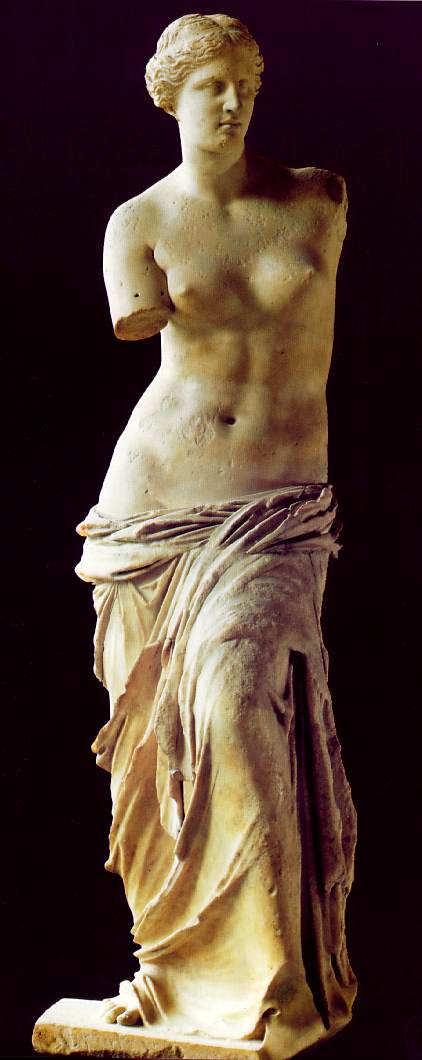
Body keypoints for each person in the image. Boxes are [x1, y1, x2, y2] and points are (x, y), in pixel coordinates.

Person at [76, 13, 357, 1059]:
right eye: (209, 87)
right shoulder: (139, 225)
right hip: (156, 509)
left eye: (244, 83)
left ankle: (277, 980)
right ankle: (184, 973)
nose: (232, 102)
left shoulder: (318, 198)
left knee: (235, 704)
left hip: (276, 512)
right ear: (170, 98)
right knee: (161, 750)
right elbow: (138, 323)